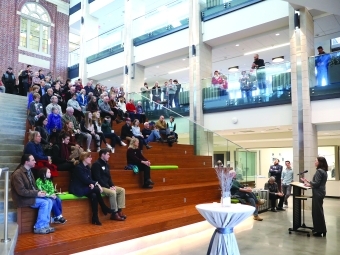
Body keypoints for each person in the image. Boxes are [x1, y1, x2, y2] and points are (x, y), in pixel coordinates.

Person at [11, 154, 54, 234]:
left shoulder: (29, 171)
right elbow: (21, 191)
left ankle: (45, 225)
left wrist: (40, 192)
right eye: (33, 160)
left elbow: (33, 187)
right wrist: (37, 193)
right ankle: (39, 227)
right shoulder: (17, 174)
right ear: (27, 162)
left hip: (30, 196)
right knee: (44, 202)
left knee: (50, 201)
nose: (35, 161)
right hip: (22, 199)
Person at [69, 152, 114, 225]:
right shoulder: (78, 168)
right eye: (89, 157)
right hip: (77, 189)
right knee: (96, 189)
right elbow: (84, 179)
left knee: (94, 195)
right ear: (84, 158)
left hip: (85, 187)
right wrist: (96, 184)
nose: (91, 158)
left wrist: (91, 184)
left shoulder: (87, 167)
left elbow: (89, 179)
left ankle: (95, 218)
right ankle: (103, 207)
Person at [91, 149, 127, 221]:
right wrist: (108, 187)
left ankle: (119, 210)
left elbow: (109, 177)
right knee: (112, 192)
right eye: (107, 154)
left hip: (107, 186)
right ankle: (114, 213)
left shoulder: (107, 164)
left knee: (121, 190)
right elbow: (98, 179)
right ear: (102, 155)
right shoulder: (96, 164)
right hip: (100, 186)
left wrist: (112, 186)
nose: (109, 156)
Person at [301, 157, 328, 237]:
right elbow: (317, 183)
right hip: (320, 192)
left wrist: (309, 182)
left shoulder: (319, 171)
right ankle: (320, 229)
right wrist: (308, 183)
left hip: (318, 193)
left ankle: (319, 230)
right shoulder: (323, 171)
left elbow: (316, 183)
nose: (314, 162)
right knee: (318, 211)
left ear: (320, 162)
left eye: (316, 161)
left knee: (317, 212)